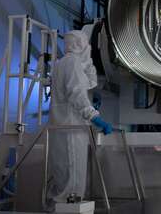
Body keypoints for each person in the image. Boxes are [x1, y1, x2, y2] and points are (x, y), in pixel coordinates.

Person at [47, 30, 112, 208]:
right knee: (73, 178)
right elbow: (76, 94)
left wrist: (88, 62)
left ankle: (61, 206)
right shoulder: (72, 63)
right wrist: (95, 117)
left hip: (65, 126)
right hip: (71, 128)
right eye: (87, 45)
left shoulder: (63, 63)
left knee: (63, 175)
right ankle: (69, 206)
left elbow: (88, 83)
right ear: (82, 44)